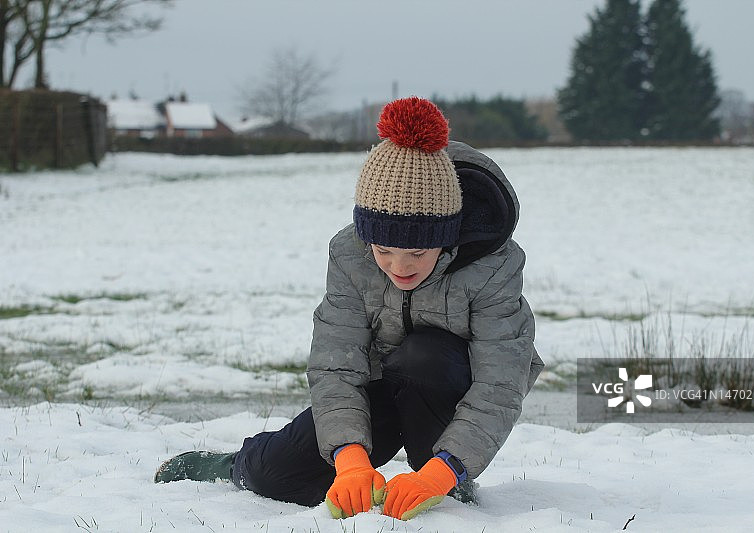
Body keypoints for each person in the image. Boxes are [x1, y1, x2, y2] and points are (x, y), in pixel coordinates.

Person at [154, 96, 545, 521]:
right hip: (376, 385)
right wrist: (350, 458)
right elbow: (335, 363)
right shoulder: (348, 254)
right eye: (384, 249)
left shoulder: (494, 266)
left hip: (445, 389)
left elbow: (500, 384)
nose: (399, 266)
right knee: (274, 475)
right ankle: (231, 465)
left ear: (447, 237)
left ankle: (451, 479)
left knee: (424, 358)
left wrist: (442, 471)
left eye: (416, 251)